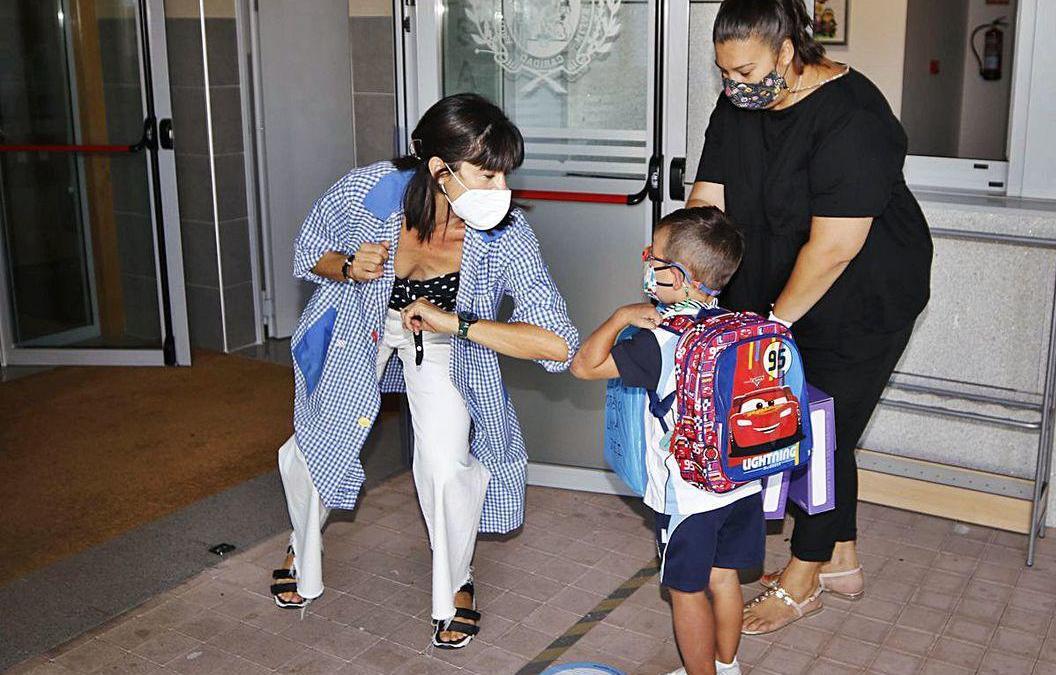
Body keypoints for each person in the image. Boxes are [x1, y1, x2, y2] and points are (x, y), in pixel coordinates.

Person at [269, 93, 579, 650]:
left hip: (442, 336)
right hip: (354, 324)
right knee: (321, 442)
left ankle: (456, 581)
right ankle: (301, 542)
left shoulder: (506, 235)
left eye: (505, 177)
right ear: (439, 170)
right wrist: (346, 265)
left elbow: (558, 343)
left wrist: (457, 324)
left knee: (445, 462)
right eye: (486, 176)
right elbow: (308, 248)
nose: (500, 193)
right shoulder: (367, 192)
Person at [687, 0, 933, 635]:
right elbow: (708, 201)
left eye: (745, 71)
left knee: (818, 428)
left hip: (862, 294)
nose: (733, 86)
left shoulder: (853, 116)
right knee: (810, 418)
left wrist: (767, 327)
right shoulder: (740, 102)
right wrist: (684, 276)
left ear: (788, 52)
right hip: (773, 282)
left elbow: (835, 248)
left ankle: (803, 578)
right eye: (724, 74)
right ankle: (841, 561)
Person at [572, 207, 756, 675]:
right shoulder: (737, 327)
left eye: (653, 257)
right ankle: (727, 666)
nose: (647, 265)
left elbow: (584, 365)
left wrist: (618, 318)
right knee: (724, 575)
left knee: (686, 589)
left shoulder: (661, 339)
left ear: (677, 276)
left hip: (689, 495)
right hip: (743, 483)